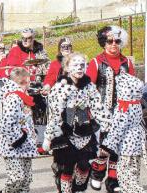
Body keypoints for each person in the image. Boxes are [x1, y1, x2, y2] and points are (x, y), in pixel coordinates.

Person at [42, 53, 110, 193]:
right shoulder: (60, 87)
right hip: (65, 131)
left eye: (82, 65)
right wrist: (48, 137)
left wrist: (108, 127)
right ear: (67, 68)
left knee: (84, 166)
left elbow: (99, 108)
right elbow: (55, 115)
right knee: (66, 167)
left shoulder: (89, 86)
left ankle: (78, 190)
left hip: (85, 131)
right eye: (75, 65)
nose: (79, 68)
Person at [86, 26, 135, 192]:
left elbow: (133, 87)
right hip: (102, 113)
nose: (114, 44)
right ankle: (97, 173)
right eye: (110, 41)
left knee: (118, 148)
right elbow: (88, 89)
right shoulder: (95, 62)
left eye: (117, 41)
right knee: (104, 147)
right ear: (103, 43)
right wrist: (90, 113)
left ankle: (113, 180)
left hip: (122, 113)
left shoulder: (127, 62)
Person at [100, 62, 146, 193]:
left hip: (126, 148)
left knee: (125, 178)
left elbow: (117, 129)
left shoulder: (123, 108)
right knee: (134, 174)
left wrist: (107, 146)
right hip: (136, 146)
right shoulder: (136, 104)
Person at [0, 67, 38, 193]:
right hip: (13, 145)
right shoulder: (14, 97)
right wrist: (18, 139)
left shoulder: (23, 96)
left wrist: (31, 136)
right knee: (17, 178)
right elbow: (7, 122)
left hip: (25, 144)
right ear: (26, 81)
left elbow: (26, 120)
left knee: (26, 180)